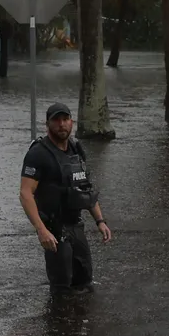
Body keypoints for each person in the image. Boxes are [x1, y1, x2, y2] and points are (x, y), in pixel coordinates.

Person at [19, 102, 114, 293]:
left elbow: (85, 187)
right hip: (54, 229)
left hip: (76, 225)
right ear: (47, 124)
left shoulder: (76, 149)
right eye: (56, 120)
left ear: (72, 122)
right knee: (62, 287)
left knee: (85, 282)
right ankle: (56, 321)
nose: (61, 124)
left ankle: (81, 322)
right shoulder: (38, 154)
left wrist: (100, 221)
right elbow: (25, 193)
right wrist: (41, 230)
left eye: (65, 119)